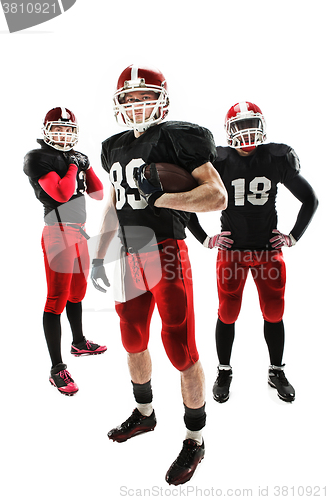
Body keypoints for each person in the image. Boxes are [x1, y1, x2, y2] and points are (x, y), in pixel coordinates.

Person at [90, 65, 227, 485]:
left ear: (161, 99)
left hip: (166, 252)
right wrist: (98, 255)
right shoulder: (112, 147)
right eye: (129, 99)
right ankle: (146, 414)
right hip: (128, 254)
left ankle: (195, 438)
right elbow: (113, 204)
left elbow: (216, 195)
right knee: (132, 337)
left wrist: (165, 197)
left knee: (180, 346)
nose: (136, 105)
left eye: (144, 97)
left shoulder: (177, 138)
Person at [188, 101, 318, 404]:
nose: (246, 133)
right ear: (228, 131)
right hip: (231, 252)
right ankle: (224, 369)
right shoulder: (217, 159)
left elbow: (310, 199)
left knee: (274, 312)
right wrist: (205, 239)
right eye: (240, 127)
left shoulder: (275, 157)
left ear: (261, 126)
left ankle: (276, 370)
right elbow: (187, 201)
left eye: (251, 125)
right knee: (228, 313)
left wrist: (293, 237)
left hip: (266, 251)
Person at [23, 107, 107, 396]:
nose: (63, 134)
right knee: (56, 298)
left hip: (79, 232)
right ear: (47, 131)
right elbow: (60, 193)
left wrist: (88, 166)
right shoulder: (38, 157)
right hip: (57, 233)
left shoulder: (74, 157)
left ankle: (79, 341)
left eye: (68, 130)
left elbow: (97, 194)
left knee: (77, 292)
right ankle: (56, 368)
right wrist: (74, 167)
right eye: (57, 129)